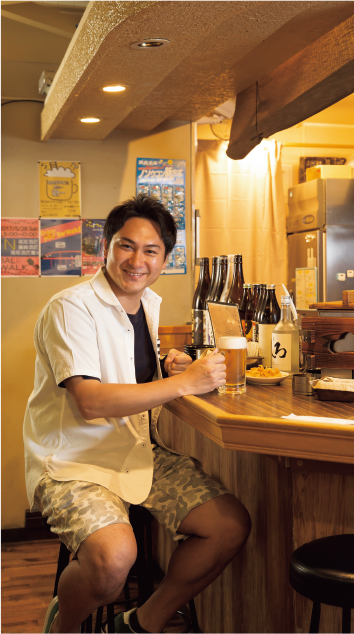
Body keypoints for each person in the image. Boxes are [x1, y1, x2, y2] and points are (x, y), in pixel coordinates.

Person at [24, 194, 251, 634]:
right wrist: (183, 384)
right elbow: (89, 400)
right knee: (114, 558)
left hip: (134, 450)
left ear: (165, 257)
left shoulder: (147, 303)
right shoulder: (71, 307)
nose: (137, 260)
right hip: (73, 461)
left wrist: (170, 366)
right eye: (126, 246)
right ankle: (63, 626)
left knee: (228, 527)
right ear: (105, 245)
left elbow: (127, 371)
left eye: (151, 251)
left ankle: (141, 624)